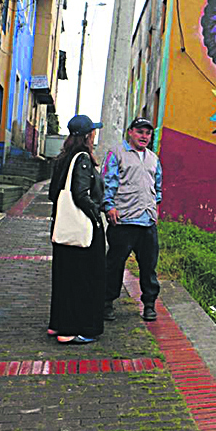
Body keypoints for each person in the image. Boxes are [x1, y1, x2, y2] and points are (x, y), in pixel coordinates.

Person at [48, 115, 106, 344]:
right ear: (87, 136)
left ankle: (58, 325)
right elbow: (81, 194)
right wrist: (97, 218)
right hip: (82, 230)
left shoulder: (64, 158)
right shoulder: (82, 158)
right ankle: (75, 329)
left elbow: (54, 192)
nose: (95, 135)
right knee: (85, 279)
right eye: (93, 132)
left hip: (64, 227)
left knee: (64, 276)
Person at [102, 117, 163, 322]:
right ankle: (107, 303)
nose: (144, 136)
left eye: (147, 133)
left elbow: (158, 186)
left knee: (148, 267)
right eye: (140, 132)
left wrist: (155, 207)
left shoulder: (153, 158)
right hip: (123, 221)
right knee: (114, 264)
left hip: (147, 222)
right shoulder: (116, 153)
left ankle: (149, 305)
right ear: (130, 132)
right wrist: (109, 205)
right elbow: (107, 182)